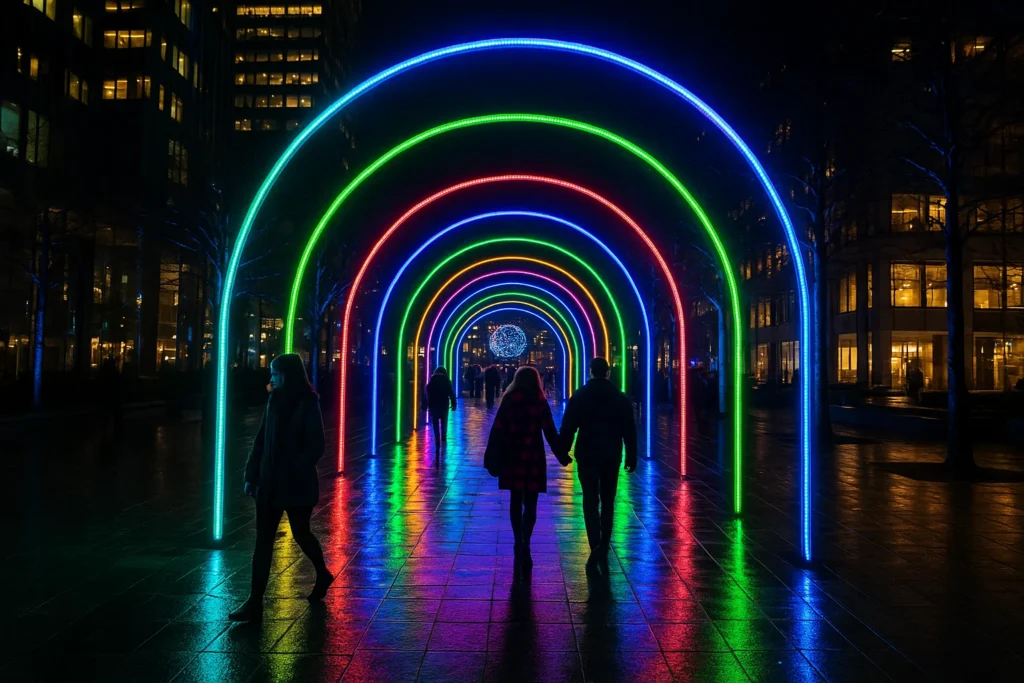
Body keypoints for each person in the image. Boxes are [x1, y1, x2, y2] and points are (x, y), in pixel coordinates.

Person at [230, 353, 332, 622]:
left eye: (275, 374)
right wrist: (252, 474)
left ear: (287, 375)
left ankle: (322, 572)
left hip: (296, 484)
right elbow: (261, 439)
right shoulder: (273, 400)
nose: (271, 378)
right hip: (269, 483)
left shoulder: (307, 403)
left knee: (301, 533)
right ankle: (254, 603)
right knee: (263, 542)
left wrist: (292, 468)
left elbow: (316, 446)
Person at [485, 367, 571, 569]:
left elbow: (497, 429)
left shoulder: (509, 400)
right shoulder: (538, 400)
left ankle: (517, 540)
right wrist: (561, 455)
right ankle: (527, 541)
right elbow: (549, 430)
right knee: (531, 502)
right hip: (533, 455)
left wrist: (491, 456)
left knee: (515, 500)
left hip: (512, 454)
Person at [561, 357, 638, 572]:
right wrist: (632, 455)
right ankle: (604, 543)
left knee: (589, 499)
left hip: (587, 452)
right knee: (608, 499)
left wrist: (562, 452)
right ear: (608, 372)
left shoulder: (580, 395)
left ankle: (594, 541)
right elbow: (629, 430)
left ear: (590, 371)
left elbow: (569, 426)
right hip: (611, 453)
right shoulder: (619, 398)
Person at [424, 366, 457, 452]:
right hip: (444, 404)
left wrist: (426, 404)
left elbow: (427, 392)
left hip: (434, 404)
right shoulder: (446, 381)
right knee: (444, 421)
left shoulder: (432, 380)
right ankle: (443, 437)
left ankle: (437, 438)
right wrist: (454, 403)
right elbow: (451, 393)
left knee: (435, 422)